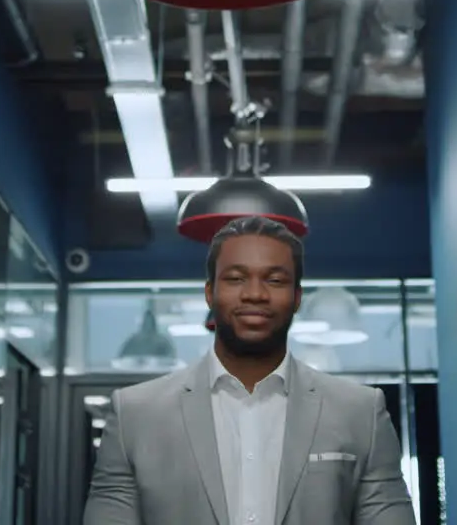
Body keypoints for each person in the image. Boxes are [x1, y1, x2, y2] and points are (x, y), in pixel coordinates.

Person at [83, 215, 416, 525]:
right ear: (210, 292)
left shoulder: (360, 412)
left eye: (274, 279)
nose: (255, 294)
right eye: (236, 278)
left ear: (297, 296)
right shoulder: (135, 415)